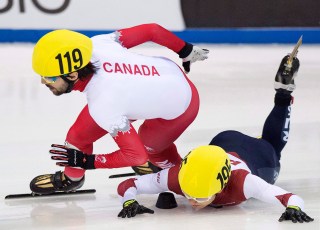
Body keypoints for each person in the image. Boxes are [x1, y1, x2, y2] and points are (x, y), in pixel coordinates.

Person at [113, 54, 314, 222]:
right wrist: (129, 201)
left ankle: (283, 97)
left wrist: (294, 209)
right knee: (269, 142)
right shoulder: (177, 178)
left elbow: (290, 198)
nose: (192, 202)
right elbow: (128, 185)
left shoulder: (244, 182)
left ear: (220, 187)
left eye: (200, 197)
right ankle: (283, 95)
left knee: (272, 149)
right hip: (224, 144)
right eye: (189, 194)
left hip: (256, 156)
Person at [29, 23, 209, 194]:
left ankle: (178, 174)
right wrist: (185, 49)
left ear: (73, 74)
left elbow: (136, 156)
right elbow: (152, 30)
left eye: (50, 78)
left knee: (150, 149)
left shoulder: (103, 103)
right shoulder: (97, 43)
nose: (43, 82)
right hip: (164, 74)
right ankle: (72, 179)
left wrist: (87, 161)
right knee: (78, 136)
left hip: (183, 104)